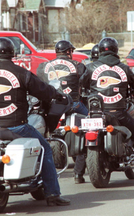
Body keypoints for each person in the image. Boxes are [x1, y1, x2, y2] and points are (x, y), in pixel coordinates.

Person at [0, 37, 70, 206]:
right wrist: (57, 94)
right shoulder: (20, 72)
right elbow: (43, 90)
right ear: (12, 54)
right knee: (45, 148)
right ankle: (53, 194)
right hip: (17, 126)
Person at [80, 37, 134, 184]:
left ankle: (78, 174)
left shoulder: (91, 67)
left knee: (82, 132)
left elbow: (81, 84)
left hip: (95, 114)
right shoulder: (124, 68)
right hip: (118, 112)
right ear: (115, 50)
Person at [52, 40, 88, 184]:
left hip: (53, 106)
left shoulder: (45, 66)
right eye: (71, 51)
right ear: (68, 52)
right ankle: (78, 174)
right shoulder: (78, 66)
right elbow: (86, 82)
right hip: (73, 104)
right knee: (89, 128)